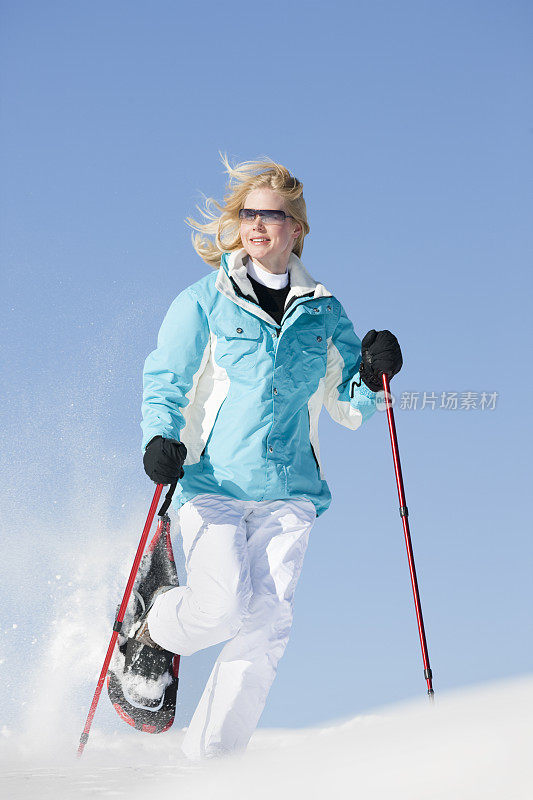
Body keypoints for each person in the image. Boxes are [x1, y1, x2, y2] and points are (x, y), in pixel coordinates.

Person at [139, 155, 402, 760]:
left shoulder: (325, 311)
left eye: (271, 215)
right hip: (213, 483)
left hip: (291, 493)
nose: (256, 225)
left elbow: (348, 405)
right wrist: (159, 437)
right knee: (220, 607)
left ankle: (211, 768)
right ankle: (153, 628)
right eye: (248, 214)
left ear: (298, 227)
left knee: (266, 622)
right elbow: (167, 379)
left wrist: (372, 370)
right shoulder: (207, 299)